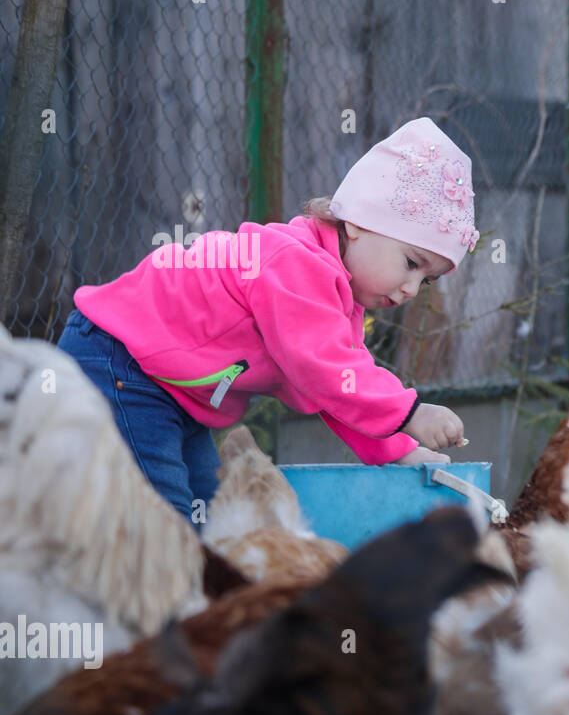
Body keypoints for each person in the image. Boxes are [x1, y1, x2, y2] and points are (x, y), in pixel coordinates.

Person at [57, 117, 479, 526]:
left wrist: (399, 448)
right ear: (357, 223)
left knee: (212, 517)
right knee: (163, 527)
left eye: (426, 281)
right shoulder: (295, 265)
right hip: (120, 362)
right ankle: (151, 594)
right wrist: (409, 412)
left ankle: (190, 591)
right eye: (411, 264)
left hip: (169, 391)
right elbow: (329, 371)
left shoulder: (334, 301)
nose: (411, 288)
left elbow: (333, 391)